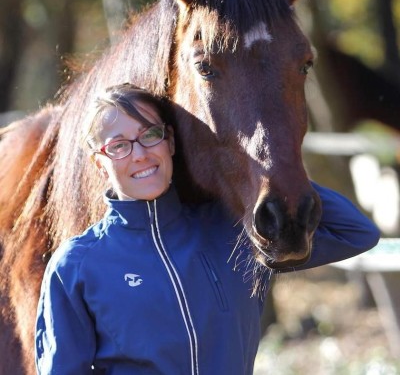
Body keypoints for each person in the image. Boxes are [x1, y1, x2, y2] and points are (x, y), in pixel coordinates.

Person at [35, 83, 380, 375]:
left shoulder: (232, 229)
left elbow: (354, 232)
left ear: (170, 143)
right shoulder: (76, 266)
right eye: (119, 146)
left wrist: (271, 169)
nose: (139, 154)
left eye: (150, 134)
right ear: (100, 161)